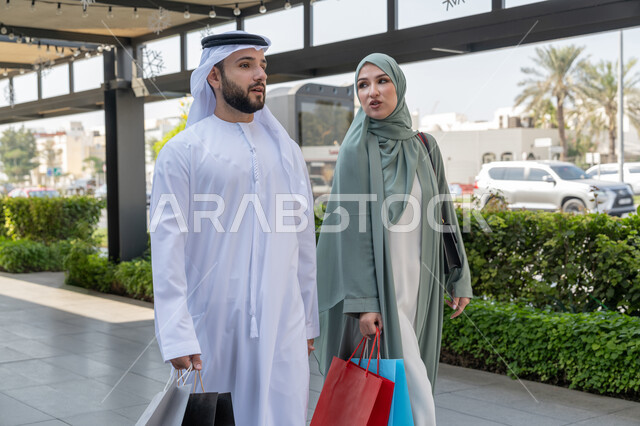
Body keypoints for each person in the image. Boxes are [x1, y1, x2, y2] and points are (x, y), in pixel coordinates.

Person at [150, 31, 319, 426]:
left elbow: (303, 242)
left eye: (262, 65)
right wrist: (176, 334)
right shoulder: (183, 152)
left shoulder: (287, 151)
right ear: (214, 76)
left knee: (284, 416)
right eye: (245, 65)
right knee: (219, 418)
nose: (259, 74)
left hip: (283, 321)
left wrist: (308, 319)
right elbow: (167, 249)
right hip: (212, 324)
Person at [314, 53, 473, 425]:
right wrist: (365, 302)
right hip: (379, 287)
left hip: (421, 283)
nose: (372, 92)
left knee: (404, 375)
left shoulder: (425, 146)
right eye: (362, 84)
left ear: (399, 86)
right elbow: (350, 231)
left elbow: (443, 211)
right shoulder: (356, 149)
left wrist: (458, 274)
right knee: (409, 375)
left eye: (382, 81)